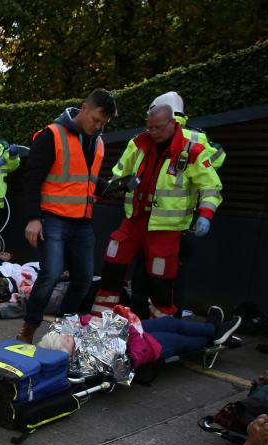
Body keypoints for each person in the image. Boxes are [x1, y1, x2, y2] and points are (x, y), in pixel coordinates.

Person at [91, 103, 222, 319]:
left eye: (158, 127)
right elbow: (118, 174)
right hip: (135, 220)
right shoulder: (139, 144)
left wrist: (206, 215)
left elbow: (210, 187)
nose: (153, 132)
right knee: (113, 260)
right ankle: (99, 320)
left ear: (172, 123)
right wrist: (105, 191)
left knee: (161, 279)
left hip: (166, 228)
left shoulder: (191, 151)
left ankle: (161, 327)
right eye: (150, 127)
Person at [17, 88, 118, 344]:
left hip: (82, 223)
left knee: (84, 278)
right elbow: (31, 179)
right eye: (96, 119)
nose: (98, 126)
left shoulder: (98, 142)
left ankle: (62, 328)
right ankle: (29, 328)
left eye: (103, 123)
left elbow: (87, 180)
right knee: (50, 273)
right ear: (84, 108)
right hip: (52, 220)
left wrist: (109, 187)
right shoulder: (52, 134)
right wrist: (33, 218)